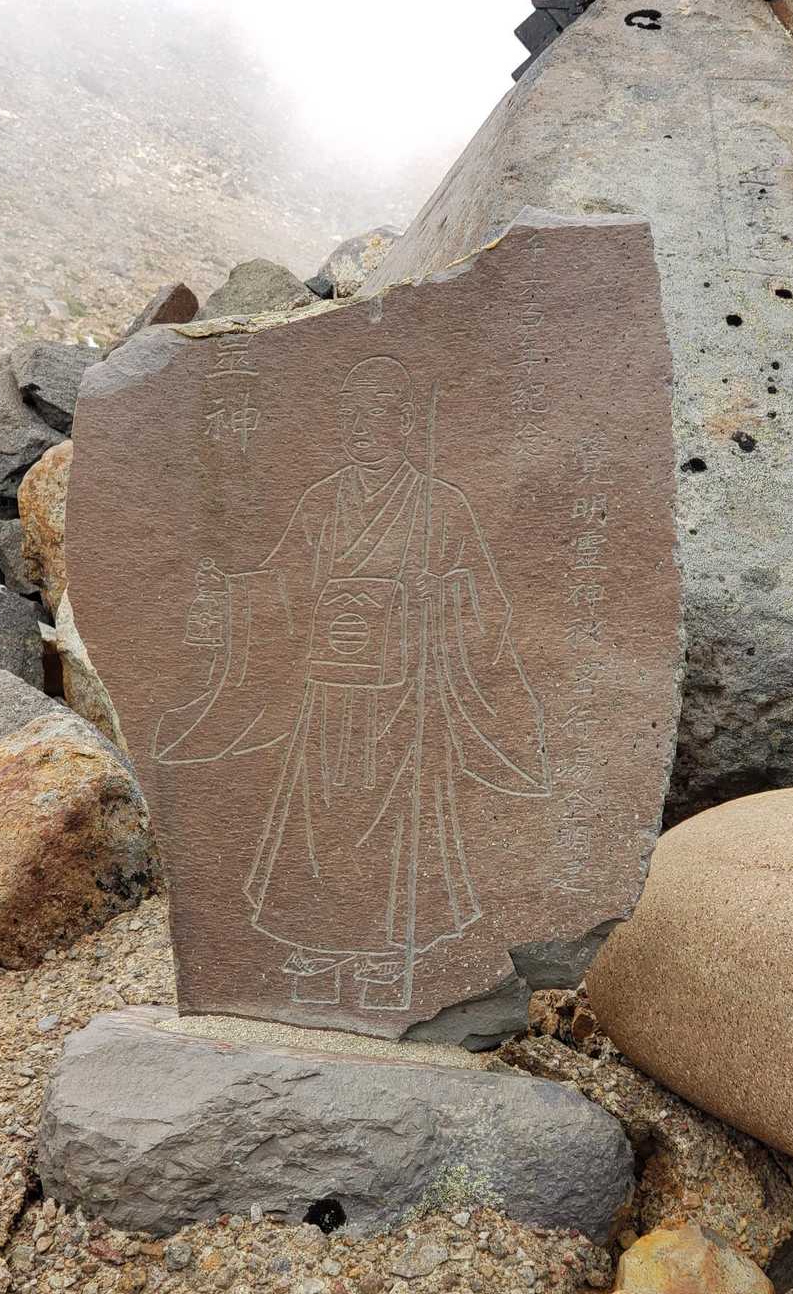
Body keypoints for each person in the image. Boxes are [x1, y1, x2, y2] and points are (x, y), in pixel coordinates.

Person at [154, 355, 550, 1013]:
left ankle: (388, 956)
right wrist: (233, 594)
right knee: (319, 821)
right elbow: (286, 584)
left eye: (377, 416)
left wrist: (438, 598)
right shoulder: (322, 502)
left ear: (406, 423)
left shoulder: (441, 506)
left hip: (405, 699)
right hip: (329, 694)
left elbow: (485, 601)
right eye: (352, 418)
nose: (362, 430)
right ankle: (313, 945)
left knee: (396, 825)